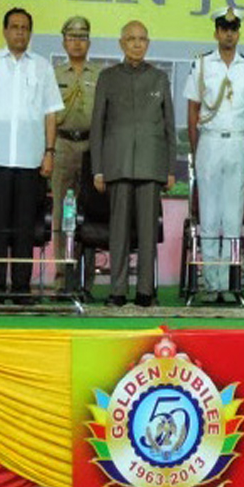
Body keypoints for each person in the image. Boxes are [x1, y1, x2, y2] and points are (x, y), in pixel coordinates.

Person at [0, 8, 63, 304]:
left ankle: (22, 289)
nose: (19, 32)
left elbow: (50, 114)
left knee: (24, 228)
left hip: (30, 162)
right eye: (14, 27)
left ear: (30, 33)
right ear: (5, 31)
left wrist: (49, 153)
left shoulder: (43, 68)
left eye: (24, 28)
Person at [91, 20, 176, 308]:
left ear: (148, 43)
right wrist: (98, 169)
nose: (137, 44)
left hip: (151, 165)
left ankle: (144, 292)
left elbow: (169, 127)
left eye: (142, 39)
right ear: (121, 44)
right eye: (131, 39)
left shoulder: (159, 78)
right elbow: (97, 126)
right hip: (117, 164)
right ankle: (117, 291)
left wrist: (170, 169)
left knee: (148, 233)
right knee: (119, 233)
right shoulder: (108, 77)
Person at [184, 8, 244, 303]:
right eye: (224, 28)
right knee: (209, 216)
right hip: (210, 142)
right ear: (216, 32)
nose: (229, 33)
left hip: (239, 143)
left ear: (238, 32)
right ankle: (211, 283)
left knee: (232, 218)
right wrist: (195, 148)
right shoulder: (202, 64)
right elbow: (192, 109)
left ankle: (231, 283)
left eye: (234, 28)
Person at [50, 15, 99, 291]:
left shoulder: (100, 75)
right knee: (60, 212)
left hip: (91, 148)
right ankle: (61, 279)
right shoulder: (54, 75)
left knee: (87, 214)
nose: (77, 43)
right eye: (72, 37)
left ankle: (85, 280)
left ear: (89, 42)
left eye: (82, 37)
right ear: (64, 42)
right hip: (62, 145)